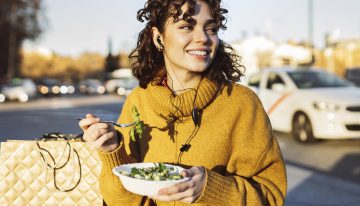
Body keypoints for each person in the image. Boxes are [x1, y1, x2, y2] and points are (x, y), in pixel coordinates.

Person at [79, 0, 287, 205]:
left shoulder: (242, 103)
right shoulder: (138, 101)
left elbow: (271, 195)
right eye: (187, 26)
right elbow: (122, 202)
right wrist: (113, 151)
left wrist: (212, 189)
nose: (203, 38)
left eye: (211, 28)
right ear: (158, 37)